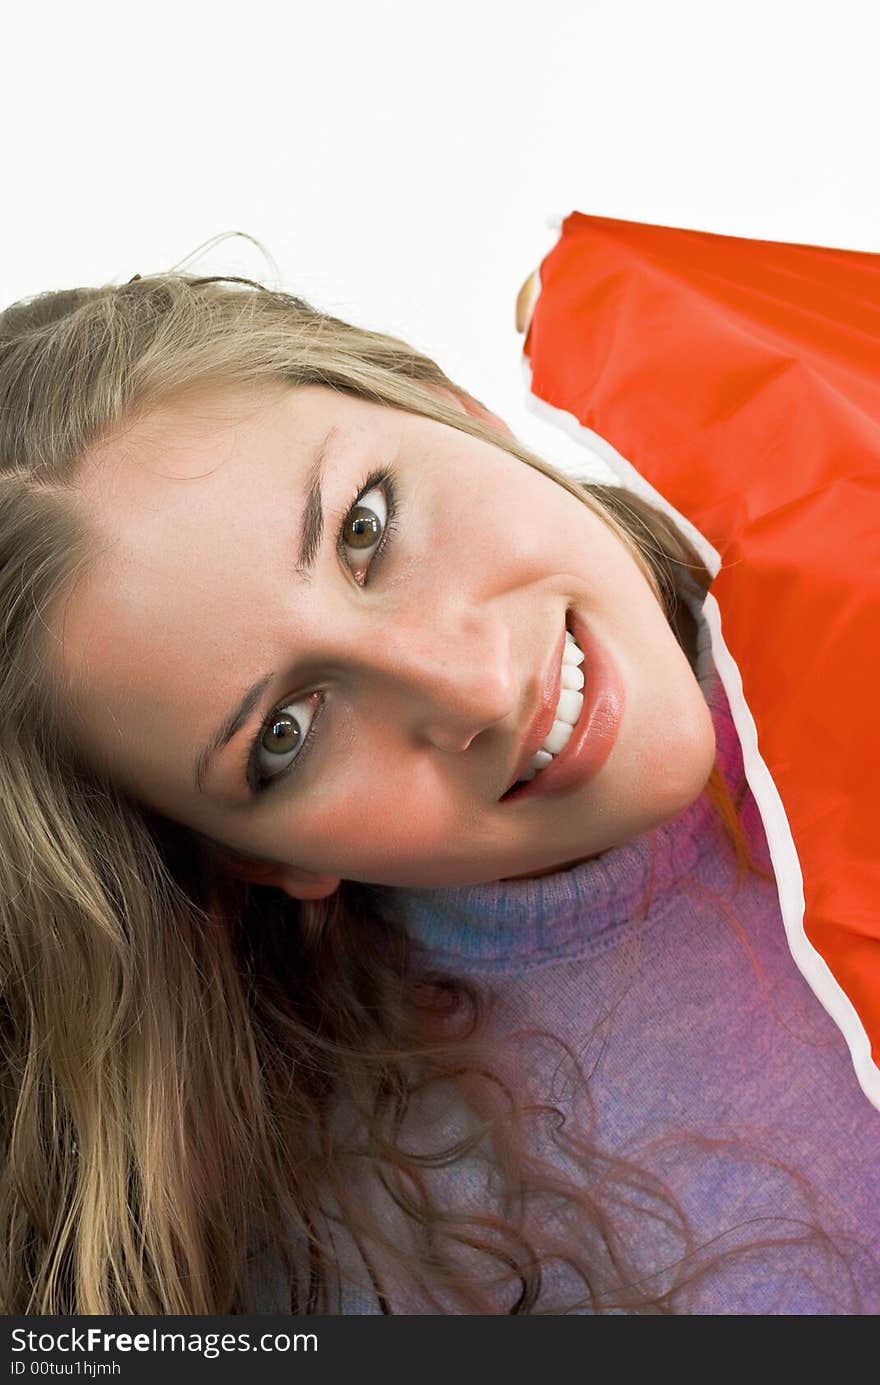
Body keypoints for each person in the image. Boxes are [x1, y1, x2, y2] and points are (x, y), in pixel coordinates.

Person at [0, 271, 878, 1316]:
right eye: (286, 733)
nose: (474, 686)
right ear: (264, 856)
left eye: (365, 528)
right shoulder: (368, 1267)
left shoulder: (839, 457)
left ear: (443, 400)